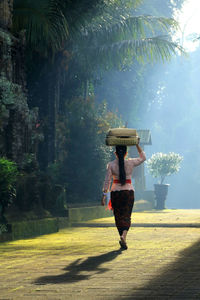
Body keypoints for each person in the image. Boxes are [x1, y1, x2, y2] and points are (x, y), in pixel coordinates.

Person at [101, 142, 146, 250]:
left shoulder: (111, 165)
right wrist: (137, 144)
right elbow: (143, 158)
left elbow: (107, 180)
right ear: (126, 153)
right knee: (127, 215)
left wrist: (104, 194)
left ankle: (122, 236)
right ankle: (124, 236)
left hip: (115, 193)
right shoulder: (130, 163)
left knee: (118, 216)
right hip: (128, 192)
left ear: (115, 153)